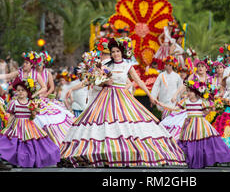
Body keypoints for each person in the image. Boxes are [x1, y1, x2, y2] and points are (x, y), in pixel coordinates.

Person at [59, 38, 186, 168]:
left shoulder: (127, 66)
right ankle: (104, 154)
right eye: (113, 51)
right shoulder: (106, 64)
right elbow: (93, 80)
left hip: (122, 97)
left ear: (122, 52)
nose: (115, 54)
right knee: (105, 126)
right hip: (106, 97)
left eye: (117, 51)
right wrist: (98, 83)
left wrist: (150, 96)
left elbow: (139, 81)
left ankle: (125, 154)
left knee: (125, 126)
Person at [158, 77, 230, 168]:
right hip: (190, 124)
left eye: (190, 91)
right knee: (191, 143)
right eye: (187, 91)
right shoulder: (185, 101)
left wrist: (214, 107)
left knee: (203, 143)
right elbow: (175, 109)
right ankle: (192, 161)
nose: (188, 93)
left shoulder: (201, 101)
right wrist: (162, 104)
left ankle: (204, 160)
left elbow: (210, 108)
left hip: (201, 123)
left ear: (196, 92)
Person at [0, 77, 60, 168]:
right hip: (16, 125)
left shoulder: (31, 103)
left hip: (29, 125)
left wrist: (33, 113)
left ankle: (27, 160)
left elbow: (32, 118)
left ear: (27, 92)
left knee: (30, 143)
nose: (20, 92)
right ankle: (15, 159)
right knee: (14, 142)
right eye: (18, 90)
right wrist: (8, 127)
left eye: (23, 90)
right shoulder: (14, 103)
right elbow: (12, 116)